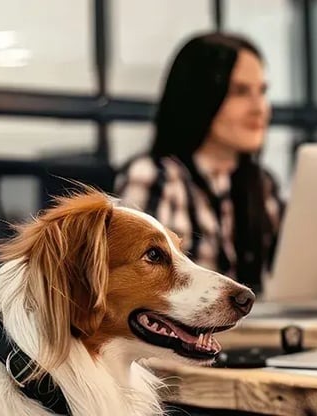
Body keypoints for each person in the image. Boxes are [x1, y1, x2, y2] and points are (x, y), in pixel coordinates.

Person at [116, 32, 282, 292]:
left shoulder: (261, 184)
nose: (259, 107)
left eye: (261, 91)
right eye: (239, 91)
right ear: (199, 96)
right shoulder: (154, 175)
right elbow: (134, 284)